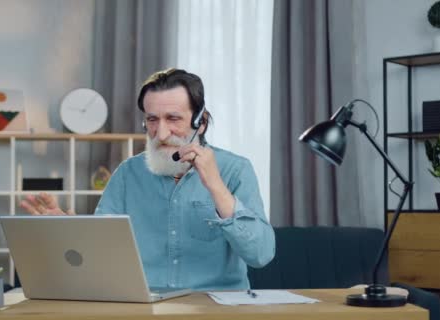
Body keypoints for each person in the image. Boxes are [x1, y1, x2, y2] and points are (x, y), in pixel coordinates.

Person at [21, 68, 275, 291]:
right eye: (152, 120)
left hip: (216, 309)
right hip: (145, 308)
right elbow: (101, 254)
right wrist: (68, 231)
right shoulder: (127, 174)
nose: (161, 133)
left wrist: (215, 186)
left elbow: (261, 255)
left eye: (173, 119)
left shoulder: (236, 170)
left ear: (202, 122)